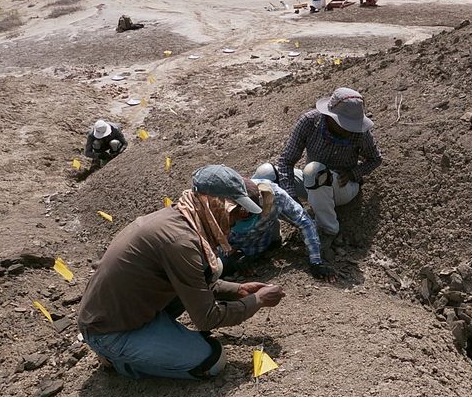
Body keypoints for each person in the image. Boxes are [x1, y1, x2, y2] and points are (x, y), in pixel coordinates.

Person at [78, 165, 286, 380]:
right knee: (212, 361)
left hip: (126, 311)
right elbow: (206, 319)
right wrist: (257, 301)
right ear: (216, 205)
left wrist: (240, 289)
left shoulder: (181, 218)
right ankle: (118, 360)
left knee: (212, 271)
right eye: (236, 213)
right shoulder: (181, 242)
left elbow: (196, 281)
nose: (235, 223)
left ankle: (157, 336)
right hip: (109, 331)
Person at [276, 87, 382, 238]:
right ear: (330, 117)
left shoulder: (360, 133)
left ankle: (328, 232)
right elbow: (286, 161)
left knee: (314, 171)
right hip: (312, 183)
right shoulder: (309, 122)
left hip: (342, 187)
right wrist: (292, 200)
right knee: (267, 173)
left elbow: (375, 159)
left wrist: (353, 173)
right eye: (344, 124)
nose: (348, 130)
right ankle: (283, 229)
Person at [226, 167, 337, 281]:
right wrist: (230, 251)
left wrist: (316, 262)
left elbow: (305, 223)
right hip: (226, 246)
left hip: (257, 245)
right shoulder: (220, 200)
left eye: (249, 216)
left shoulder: (275, 197)